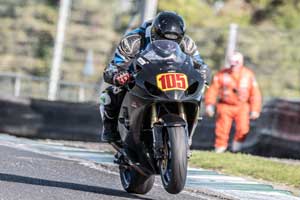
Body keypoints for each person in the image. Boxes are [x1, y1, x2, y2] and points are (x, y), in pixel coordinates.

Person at [99, 11, 210, 142]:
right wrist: (118, 75)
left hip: (173, 81)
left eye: (173, 40)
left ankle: (188, 131)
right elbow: (114, 66)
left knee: (198, 91)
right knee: (110, 94)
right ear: (154, 33)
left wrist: (203, 73)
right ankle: (111, 128)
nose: (168, 44)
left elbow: (199, 64)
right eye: (164, 39)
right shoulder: (133, 40)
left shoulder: (187, 43)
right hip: (141, 79)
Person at [204, 52, 262, 153]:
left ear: (241, 62)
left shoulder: (248, 75)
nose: (233, 65)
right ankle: (220, 149)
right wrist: (209, 104)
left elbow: (255, 94)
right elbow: (212, 90)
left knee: (243, 129)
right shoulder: (221, 74)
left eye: (236, 62)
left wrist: (255, 110)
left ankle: (236, 149)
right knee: (222, 129)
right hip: (225, 105)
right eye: (232, 62)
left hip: (242, 106)